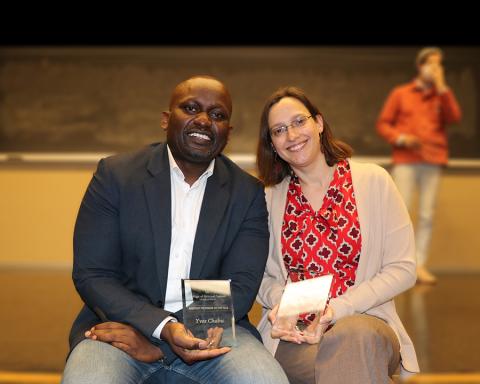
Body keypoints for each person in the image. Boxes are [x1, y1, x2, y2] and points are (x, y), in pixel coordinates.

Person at [61, 75, 289, 384]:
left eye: (218, 115)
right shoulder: (116, 176)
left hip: (214, 331)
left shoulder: (246, 193)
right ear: (166, 119)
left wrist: (167, 343)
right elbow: (93, 273)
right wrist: (162, 327)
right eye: (191, 108)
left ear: (228, 132)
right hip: (120, 326)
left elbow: (241, 286)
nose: (204, 120)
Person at [255, 86, 420, 384]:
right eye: (279, 130)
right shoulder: (267, 199)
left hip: (367, 321)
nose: (291, 135)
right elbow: (259, 277)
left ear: (318, 123)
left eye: (299, 122)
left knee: (354, 338)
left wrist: (336, 310)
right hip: (296, 336)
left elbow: (403, 269)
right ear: (272, 144)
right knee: (353, 366)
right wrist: (286, 303)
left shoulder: (375, 181)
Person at [377, 47, 462, 284]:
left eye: (438, 65)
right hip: (405, 160)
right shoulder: (401, 93)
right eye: (430, 64)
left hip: (433, 160)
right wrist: (402, 138)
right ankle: (394, 265)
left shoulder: (441, 95)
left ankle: (420, 266)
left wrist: (443, 86)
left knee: (426, 215)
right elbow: (383, 124)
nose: (433, 69)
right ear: (420, 65)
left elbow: (454, 117)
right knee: (399, 212)